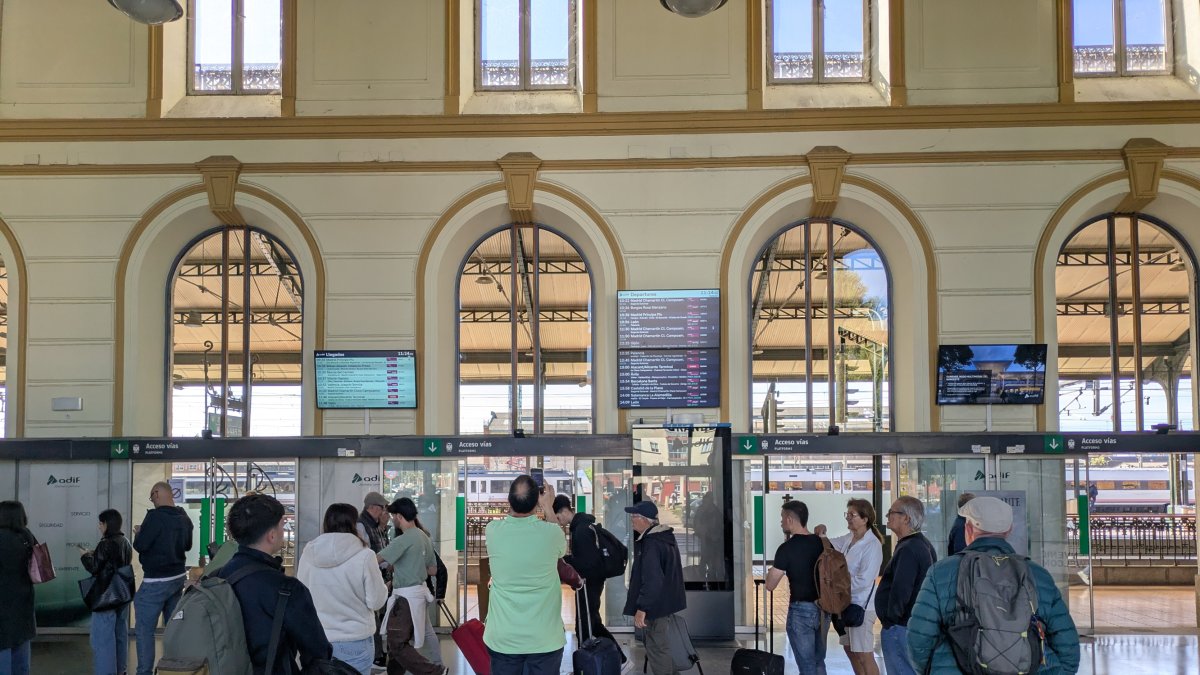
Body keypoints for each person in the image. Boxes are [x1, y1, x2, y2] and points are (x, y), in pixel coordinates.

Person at [907, 496, 1080, 674]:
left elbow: (919, 637)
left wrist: (932, 670)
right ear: (1009, 530)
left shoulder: (942, 572)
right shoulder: (1037, 574)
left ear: (968, 529)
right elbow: (1068, 645)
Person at [218, 493, 332, 674]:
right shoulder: (287, 589)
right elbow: (318, 654)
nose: (283, 531)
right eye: (281, 525)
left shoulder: (217, 577)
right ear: (271, 535)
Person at [484, 476, 566, 675]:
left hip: (503, 638)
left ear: (508, 500)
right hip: (545, 638)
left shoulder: (492, 530)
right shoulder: (552, 533)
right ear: (537, 502)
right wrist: (548, 507)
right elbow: (561, 551)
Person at [297, 504, 389, 675]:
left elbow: (301, 596)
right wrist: (384, 587)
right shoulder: (365, 555)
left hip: (317, 639)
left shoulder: (308, 554)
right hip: (355, 640)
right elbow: (376, 601)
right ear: (354, 524)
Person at [552, 495, 625, 663]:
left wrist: (565, 561)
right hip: (592, 582)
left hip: (589, 584)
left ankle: (609, 661)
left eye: (557, 517)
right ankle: (614, 660)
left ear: (564, 511)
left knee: (587, 625)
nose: (558, 521)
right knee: (590, 623)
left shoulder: (581, 530)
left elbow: (587, 563)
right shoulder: (582, 525)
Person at [132, 481, 194, 675]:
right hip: (177, 579)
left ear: (157, 494)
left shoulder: (154, 517)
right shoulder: (184, 517)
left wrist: (139, 533)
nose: (152, 501)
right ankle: (174, 670)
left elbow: (141, 546)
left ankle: (144, 672)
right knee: (173, 630)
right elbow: (188, 546)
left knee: (144, 631)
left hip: (156, 581)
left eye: (152, 497)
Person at [376, 498, 443, 675]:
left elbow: (376, 559)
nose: (392, 519)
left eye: (393, 516)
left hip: (405, 597)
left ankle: (434, 671)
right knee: (418, 634)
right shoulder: (424, 537)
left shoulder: (403, 540)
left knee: (397, 641)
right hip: (420, 593)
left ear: (399, 516)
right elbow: (433, 569)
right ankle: (433, 666)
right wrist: (413, 565)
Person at [874, 496, 937, 675]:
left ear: (906, 518)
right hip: (908, 624)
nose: (887, 516)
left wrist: (890, 620)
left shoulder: (909, 548)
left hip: (900, 626)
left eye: (892, 512)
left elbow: (901, 590)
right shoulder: (920, 544)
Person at [765, 500, 827, 675]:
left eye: (782, 517)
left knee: (806, 666)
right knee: (818, 662)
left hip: (801, 611)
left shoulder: (786, 549)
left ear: (790, 520)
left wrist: (771, 572)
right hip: (824, 609)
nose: (781, 522)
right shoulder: (822, 543)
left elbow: (770, 585)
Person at [624, 500, 686, 675]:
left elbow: (653, 580)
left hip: (656, 606)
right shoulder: (663, 537)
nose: (631, 519)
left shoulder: (651, 543)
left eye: (634, 516)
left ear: (645, 519)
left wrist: (642, 608)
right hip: (662, 603)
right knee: (659, 647)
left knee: (657, 649)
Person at [826, 499, 884, 675]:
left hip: (861, 606)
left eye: (853, 515)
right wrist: (820, 534)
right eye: (847, 514)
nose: (848, 518)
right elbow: (829, 543)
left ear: (865, 519)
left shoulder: (872, 544)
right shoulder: (849, 538)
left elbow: (864, 580)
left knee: (864, 654)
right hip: (846, 604)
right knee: (850, 650)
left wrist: (838, 587)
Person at [80, 509, 134, 675]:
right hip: (122, 594)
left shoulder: (105, 543)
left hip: (105, 596)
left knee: (102, 640)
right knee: (120, 635)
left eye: (101, 523)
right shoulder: (125, 541)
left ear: (106, 524)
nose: (99, 526)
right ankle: (120, 670)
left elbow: (94, 568)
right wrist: (95, 554)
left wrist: (85, 556)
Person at [0, 501, 35, 675]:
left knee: (3, 645)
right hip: (24, 600)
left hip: (3, 601)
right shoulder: (27, 536)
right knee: (21, 643)